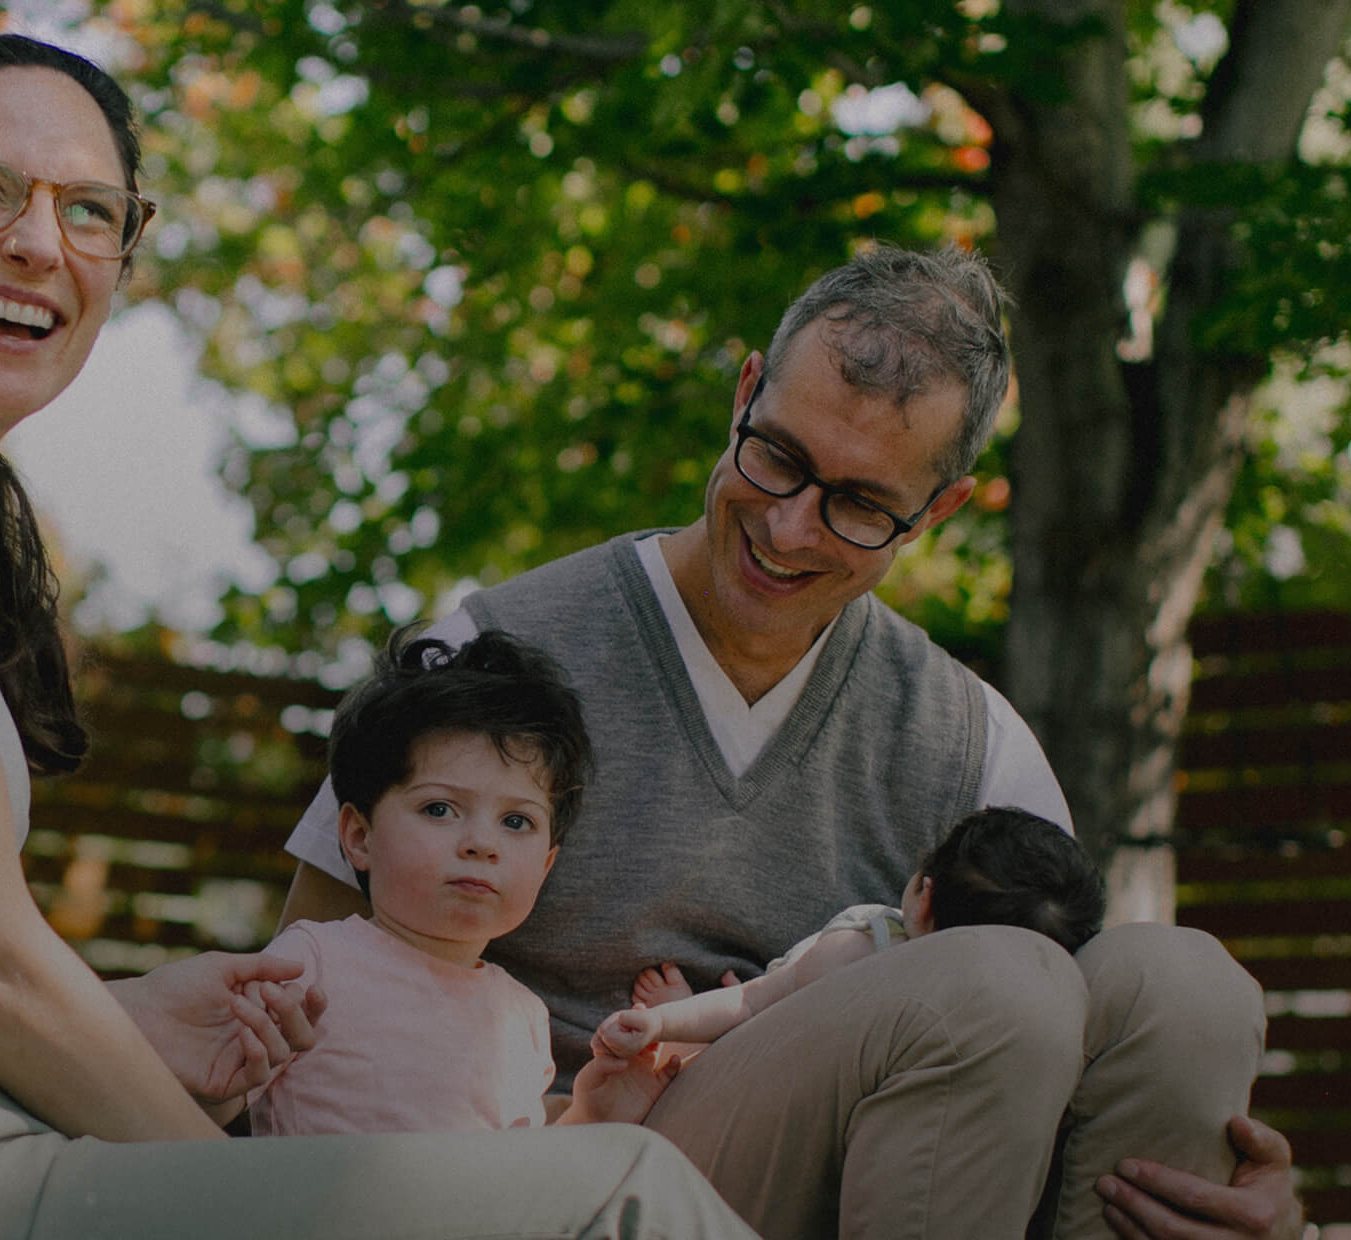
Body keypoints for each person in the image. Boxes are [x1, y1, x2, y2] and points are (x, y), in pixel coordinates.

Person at [0, 33, 757, 1240]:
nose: (41, 243)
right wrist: (225, 1180)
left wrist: (135, 1014)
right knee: (625, 1192)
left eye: (90, 211)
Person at [275, 245, 1297, 1240]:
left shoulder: (972, 746)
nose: (791, 527)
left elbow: (1069, 1082)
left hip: (885, 1179)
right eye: (780, 459)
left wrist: (1253, 1203)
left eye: (858, 504)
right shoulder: (482, 654)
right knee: (1001, 979)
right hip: (576, 1170)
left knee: (1188, 989)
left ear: (935, 510)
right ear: (746, 393)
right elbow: (296, 985)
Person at [250, 628, 674, 1136]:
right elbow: (207, 1098)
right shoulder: (310, 962)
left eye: (516, 822)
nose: (481, 843)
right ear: (359, 837)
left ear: (545, 865)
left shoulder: (521, 1019)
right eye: (440, 809)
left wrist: (596, 1113)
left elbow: (517, 1175)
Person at [591, 806, 1110, 1062]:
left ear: (924, 895)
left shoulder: (857, 952)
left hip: (751, 1064)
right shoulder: (1014, 1021)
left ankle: (683, 1039)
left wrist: (661, 1023)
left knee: (720, 1041)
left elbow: (751, 1005)